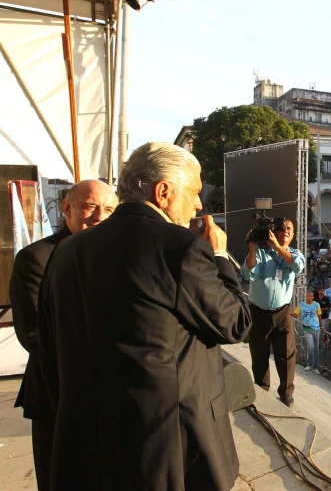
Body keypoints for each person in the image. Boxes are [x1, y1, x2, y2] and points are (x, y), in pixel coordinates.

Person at [37, 143, 252, 491]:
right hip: (167, 449)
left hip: (85, 444)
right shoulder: (179, 248)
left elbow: (48, 350)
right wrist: (221, 254)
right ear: (164, 191)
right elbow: (236, 323)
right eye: (194, 191)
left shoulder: (65, 251)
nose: (198, 204)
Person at [10, 179, 117, 491]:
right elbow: (34, 334)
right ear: (67, 208)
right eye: (90, 206)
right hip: (56, 393)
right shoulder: (36, 258)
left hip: (111, 397)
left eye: (109, 209)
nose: (99, 216)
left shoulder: (116, 257)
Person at [243, 213, 306, 408]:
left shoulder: (295, 253)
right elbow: (248, 273)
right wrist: (252, 247)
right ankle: (261, 390)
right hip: (259, 312)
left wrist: (278, 248)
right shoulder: (261, 252)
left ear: (293, 234)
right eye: (282, 227)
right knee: (259, 354)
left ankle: (286, 394)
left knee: (286, 355)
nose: (285, 230)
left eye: (289, 228)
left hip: (283, 312)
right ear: (273, 231)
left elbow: (297, 266)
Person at [296, 290, 322, 374]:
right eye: (308, 296)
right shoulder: (301, 305)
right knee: (311, 347)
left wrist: (321, 326)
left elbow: (319, 316)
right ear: (306, 296)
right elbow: (295, 314)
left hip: (316, 329)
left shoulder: (316, 305)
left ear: (313, 297)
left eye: (311, 296)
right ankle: (310, 364)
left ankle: (316, 367)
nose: (309, 298)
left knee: (316, 348)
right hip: (307, 329)